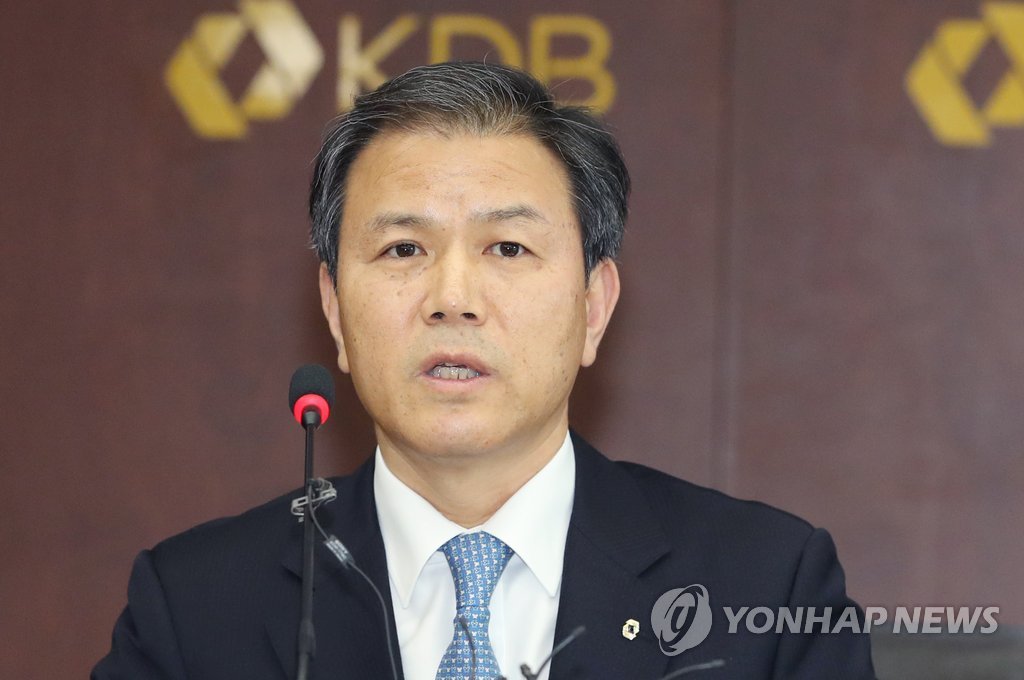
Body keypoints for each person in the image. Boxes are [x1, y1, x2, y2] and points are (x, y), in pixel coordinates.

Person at [93, 62, 875, 679]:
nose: (453, 298)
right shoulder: (196, 608)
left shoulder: (764, 586)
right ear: (334, 310)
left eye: (508, 247)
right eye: (404, 249)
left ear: (593, 307)